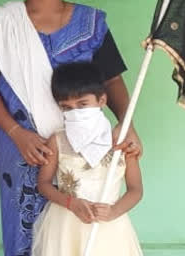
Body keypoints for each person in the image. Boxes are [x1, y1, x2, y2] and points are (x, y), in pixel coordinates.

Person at [0, 0, 142, 256]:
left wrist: (127, 124)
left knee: (84, 228)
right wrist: (16, 133)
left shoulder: (91, 24)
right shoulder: (3, 26)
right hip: (23, 144)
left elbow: (113, 80)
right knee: (22, 227)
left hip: (85, 142)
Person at [33, 61, 143, 256]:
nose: (75, 112)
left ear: (101, 100)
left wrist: (113, 212)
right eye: (66, 107)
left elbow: (135, 190)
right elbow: (44, 183)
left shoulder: (122, 142)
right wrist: (70, 203)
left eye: (82, 104)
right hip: (65, 226)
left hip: (110, 228)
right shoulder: (57, 140)